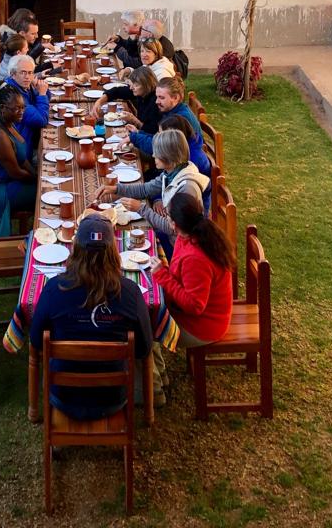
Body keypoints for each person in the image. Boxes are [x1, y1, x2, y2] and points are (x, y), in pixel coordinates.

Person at [29, 214, 153, 420]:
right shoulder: (131, 293)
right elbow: (144, 348)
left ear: (75, 250)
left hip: (63, 396)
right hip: (114, 397)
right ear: (114, 252)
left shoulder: (54, 289)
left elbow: (35, 341)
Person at [149, 190, 234, 349]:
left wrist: (163, 276)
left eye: (167, 216)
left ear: (174, 224)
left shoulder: (195, 258)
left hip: (203, 327)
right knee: (146, 314)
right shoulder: (193, 234)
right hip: (201, 316)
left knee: (143, 328)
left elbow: (194, 306)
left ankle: (155, 373)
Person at [96, 129, 208, 242]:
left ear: (169, 155)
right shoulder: (171, 173)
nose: (153, 155)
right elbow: (145, 189)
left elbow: (173, 228)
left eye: (157, 153)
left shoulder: (187, 188)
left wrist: (141, 209)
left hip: (177, 245)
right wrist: (115, 189)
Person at [127, 77, 211, 175]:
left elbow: (161, 147)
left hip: (184, 171)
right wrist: (138, 133)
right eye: (157, 97)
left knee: (132, 155)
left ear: (175, 98)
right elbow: (160, 138)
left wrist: (135, 137)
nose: (156, 101)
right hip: (175, 164)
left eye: (161, 97)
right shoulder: (173, 111)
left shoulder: (179, 119)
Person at [0, 82, 37, 236]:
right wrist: (37, 179)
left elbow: (22, 159)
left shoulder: (10, 123)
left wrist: (36, 174)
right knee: (44, 196)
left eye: (23, 107)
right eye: (17, 109)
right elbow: (16, 173)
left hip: (13, 181)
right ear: (2, 108)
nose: (22, 112)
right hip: (1, 190)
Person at [89, 65, 161, 136]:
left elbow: (151, 131)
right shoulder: (141, 92)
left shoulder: (156, 102)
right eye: (132, 84)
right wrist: (99, 102)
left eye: (136, 85)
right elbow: (116, 91)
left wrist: (134, 120)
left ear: (146, 85)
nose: (131, 88)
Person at [4, 53, 50, 159]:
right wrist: (42, 94)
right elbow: (41, 121)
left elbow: (48, 99)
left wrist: (39, 88)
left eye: (30, 73)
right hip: (24, 152)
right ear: (12, 74)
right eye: (23, 73)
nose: (27, 77)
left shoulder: (20, 85)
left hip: (29, 140)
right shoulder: (14, 97)